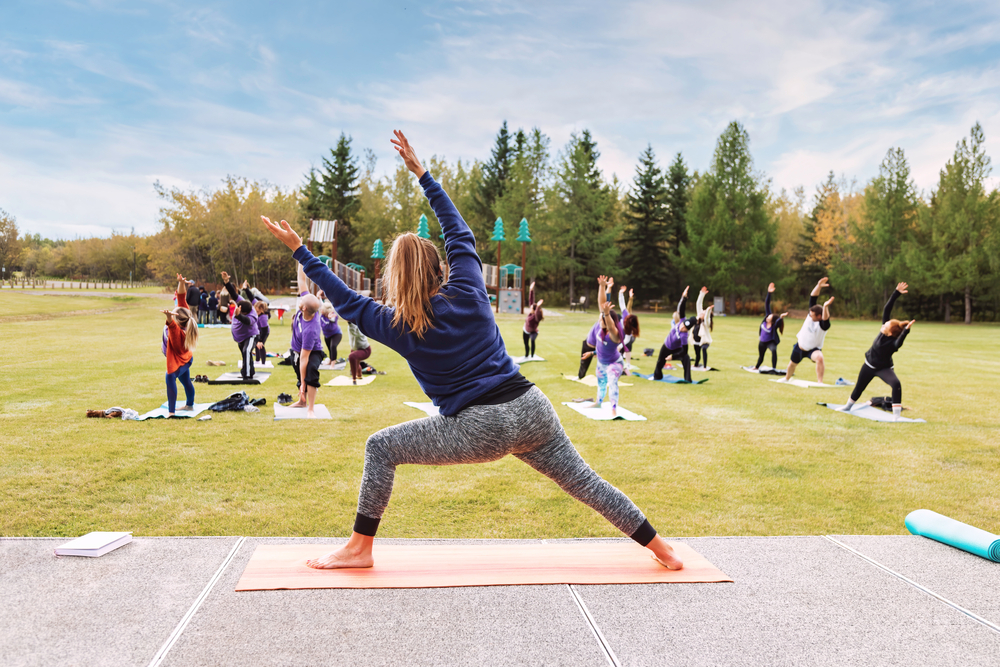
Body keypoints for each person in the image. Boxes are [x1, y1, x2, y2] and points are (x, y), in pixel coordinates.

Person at [260, 130, 683, 571]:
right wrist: (422, 174)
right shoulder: (468, 287)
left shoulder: (397, 324)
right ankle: (662, 550)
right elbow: (458, 231)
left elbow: (345, 300)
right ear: (442, 267)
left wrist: (301, 252)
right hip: (532, 407)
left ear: (396, 280)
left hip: (479, 426)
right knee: (585, 482)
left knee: (380, 448)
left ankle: (359, 548)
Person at [841, 282, 914, 419]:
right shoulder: (884, 331)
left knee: (896, 384)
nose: (883, 324)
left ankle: (896, 416)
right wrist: (896, 293)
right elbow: (887, 309)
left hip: (884, 368)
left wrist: (906, 331)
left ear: (890, 333)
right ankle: (847, 406)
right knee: (859, 387)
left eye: (886, 325)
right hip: (869, 365)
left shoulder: (893, 343)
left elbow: (899, 343)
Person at [581, 276, 625, 417]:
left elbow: (611, 325)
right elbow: (601, 303)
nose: (600, 319)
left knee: (612, 381)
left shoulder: (614, 334)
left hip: (614, 363)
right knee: (601, 383)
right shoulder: (600, 326)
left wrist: (606, 314)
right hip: (601, 362)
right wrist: (602, 286)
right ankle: (598, 402)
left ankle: (613, 408)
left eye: (603, 318)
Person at [160, 273, 199, 416]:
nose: (174, 308)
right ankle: (189, 405)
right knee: (185, 380)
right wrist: (181, 283)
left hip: (179, 361)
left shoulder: (178, 333)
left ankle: (171, 412)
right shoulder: (185, 314)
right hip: (185, 359)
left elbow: (172, 327)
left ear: (176, 320)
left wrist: (169, 318)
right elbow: (181, 297)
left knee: (170, 377)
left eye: (174, 312)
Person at [784, 277, 834, 383]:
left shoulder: (823, 325)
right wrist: (818, 285)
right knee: (792, 364)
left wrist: (825, 306)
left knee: (820, 358)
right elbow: (813, 297)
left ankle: (820, 382)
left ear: (819, 316)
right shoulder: (811, 314)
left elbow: (826, 319)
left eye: (812, 315)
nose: (809, 316)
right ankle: (786, 379)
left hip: (813, 350)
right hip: (800, 346)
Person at [289, 281, 324, 417]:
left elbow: (305, 359)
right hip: (297, 350)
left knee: (310, 373)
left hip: (312, 351)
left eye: (302, 300)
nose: (301, 298)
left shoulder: (311, 330)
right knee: (300, 375)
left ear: (303, 308)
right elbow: (302, 281)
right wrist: (301, 261)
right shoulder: (307, 306)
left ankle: (310, 408)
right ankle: (301, 402)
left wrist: (303, 384)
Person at [651, 286, 699, 383]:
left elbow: (684, 351)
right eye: (683, 326)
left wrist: (673, 357)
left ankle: (688, 379)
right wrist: (684, 297)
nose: (682, 328)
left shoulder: (684, 336)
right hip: (667, 345)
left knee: (686, 359)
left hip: (677, 349)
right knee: (660, 361)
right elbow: (681, 307)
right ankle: (657, 377)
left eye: (685, 328)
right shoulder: (682, 320)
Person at [221, 271, 258, 380]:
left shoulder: (252, 315)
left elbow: (247, 321)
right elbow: (233, 293)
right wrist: (226, 282)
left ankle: (246, 375)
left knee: (247, 351)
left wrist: (238, 316)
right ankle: (250, 371)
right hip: (240, 337)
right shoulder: (242, 302)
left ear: (244, 312)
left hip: (251, 336)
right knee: (245, 353)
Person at [752, 283, 787, 371]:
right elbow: (767, 304)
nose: (767, 317)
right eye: (768, 316)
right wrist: (769, 293)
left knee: (774, 351)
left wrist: (781, 317)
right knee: (761, 356)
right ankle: (756, 367)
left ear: (772, 320)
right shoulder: (766, 317)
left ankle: (774, 368)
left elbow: (778, 321)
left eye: (769, 318)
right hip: (762, 341)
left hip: (770, 342)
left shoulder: (774, 325)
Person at [617, 286, 639, 373]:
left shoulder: (629, 331)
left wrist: (620, 346)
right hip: (618, 334)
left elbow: (626, 340)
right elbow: (622, 303)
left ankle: (626, 365)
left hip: (624, 337)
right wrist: (621, 293)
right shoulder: (626, 314)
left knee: (624, 348)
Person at [693, 287, 714, 369]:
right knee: (697, 354)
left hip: (704, 341)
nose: (702, 312)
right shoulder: (699, 316)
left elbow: (707, 317)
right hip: (696, 340)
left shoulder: (706, 323)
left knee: (704, 350)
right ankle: (696, 364)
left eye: (703, 312)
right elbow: (698, 304)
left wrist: (708, 310)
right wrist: (702, 294)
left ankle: (705, 366)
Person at [522, 281, 544, 358]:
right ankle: (527, 355)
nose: (530, 308)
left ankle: (532, 356)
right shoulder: (531, 312)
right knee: (525, 343)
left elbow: (537, 312)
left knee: (532, 340)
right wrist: (531, 290)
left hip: (533, 332)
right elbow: (531, 299)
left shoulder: (536, 317)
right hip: (526, 330)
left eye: (532, 308)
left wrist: (537, 306)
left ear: (535, 310)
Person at [254, 300, 270, 365]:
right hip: (259, 332)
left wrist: (261, 340)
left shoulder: (263, 317)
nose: (256, 313)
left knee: (261, 346)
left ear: (262, 310)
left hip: (264, 332)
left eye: (258, 311)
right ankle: (257, 360)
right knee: (256, 345)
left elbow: (265, 329)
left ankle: (263, 362)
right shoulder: (259, 316)